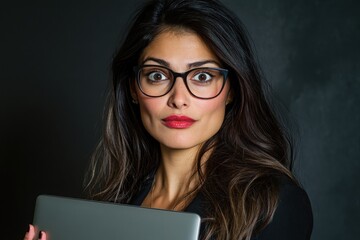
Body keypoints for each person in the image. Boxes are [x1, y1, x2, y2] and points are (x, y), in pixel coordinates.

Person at [25, 0, 313, 239]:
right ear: (134, 90)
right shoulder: (115, 201)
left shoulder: (272, 205)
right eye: (157, 75)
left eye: (202, 76)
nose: (178, 98)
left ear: (231, 91)